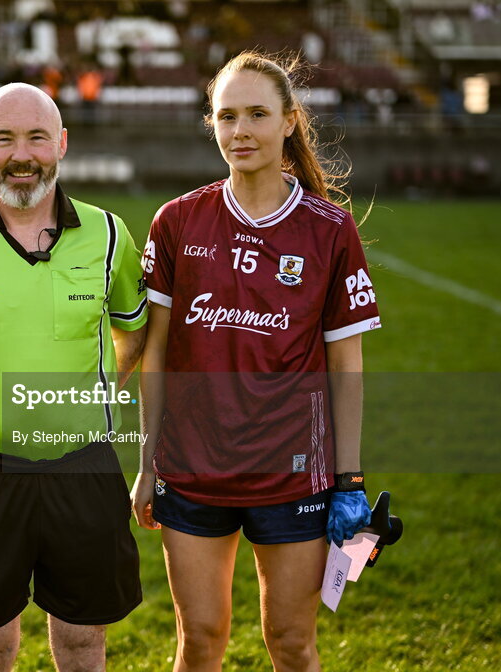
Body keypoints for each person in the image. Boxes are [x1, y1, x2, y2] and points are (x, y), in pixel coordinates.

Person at [131, 51, 380, 672]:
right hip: (192, 470)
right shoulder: (177, 221)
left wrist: (348, 482)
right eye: (226, 116)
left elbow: (346, 367)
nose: (239, 131)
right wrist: (145, 464)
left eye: (257, 115)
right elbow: (155, 353)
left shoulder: (330, 229)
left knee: (292, 644)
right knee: (201, 640)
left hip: (293, 473)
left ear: (290, 122)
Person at [0, 82, 147, 672]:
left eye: (37, 136)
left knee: (84, 642)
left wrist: (84, 395)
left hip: (83, 468)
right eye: (3, 138)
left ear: (61, 144)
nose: (21, 154)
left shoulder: (110, 236)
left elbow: (133, 332)